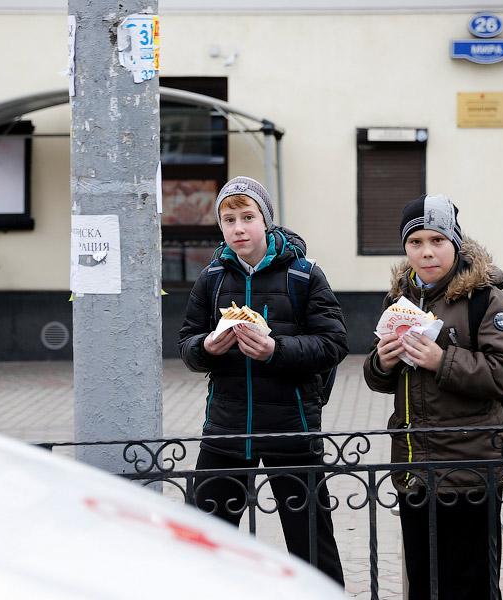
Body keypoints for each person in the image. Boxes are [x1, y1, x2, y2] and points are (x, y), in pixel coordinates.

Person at [178, 176, 347, 586]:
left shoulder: (304, 276)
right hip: (226, 428)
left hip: (292, 428)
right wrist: (208, 347)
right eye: (228, 219)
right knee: (206, 537)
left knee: (310, 541)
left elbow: (334, 343)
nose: (238, 228)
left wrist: (276, 350)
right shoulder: (212, 278)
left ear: (265, 221)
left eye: (247, 217)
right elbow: (186, 342)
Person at [362, 194, 503, 600]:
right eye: (415, 242)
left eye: (437, 240)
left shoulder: (485, 298)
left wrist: (442, 360)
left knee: (471, 584)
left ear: (455, 242)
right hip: (414, 467)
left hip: (470, 468)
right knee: (424, 582)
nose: (427, 252)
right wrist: (381, 362)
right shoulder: (400, 298)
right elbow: (382, 382)